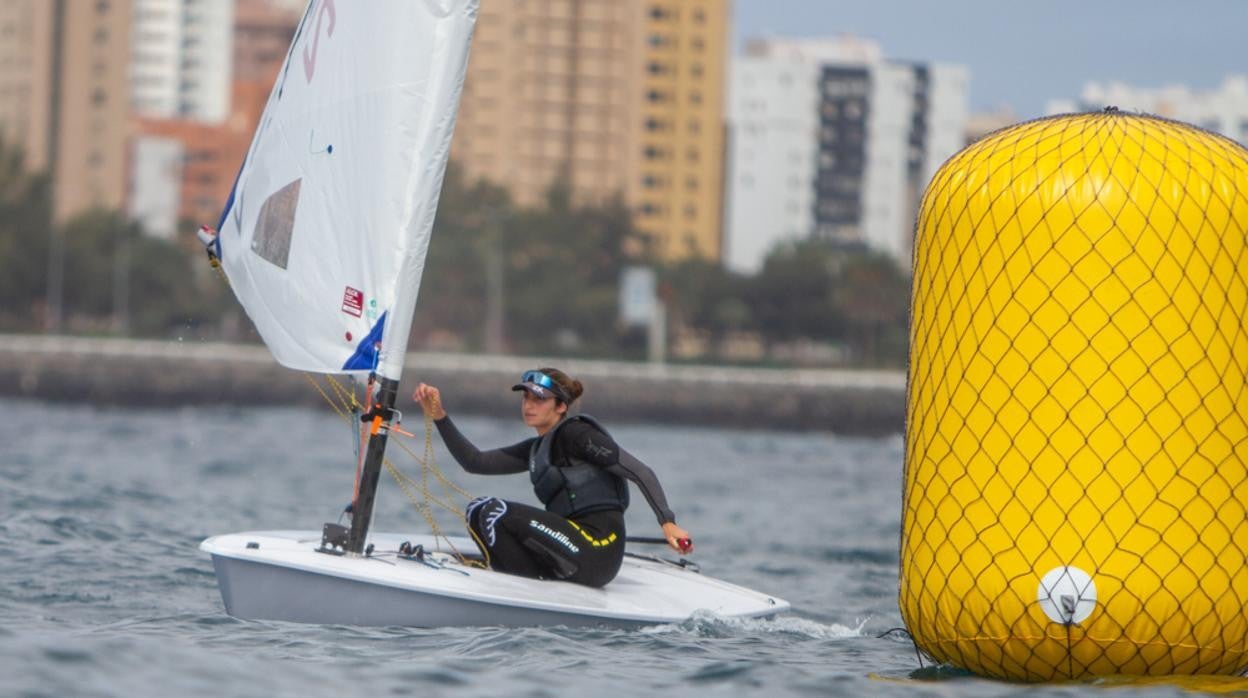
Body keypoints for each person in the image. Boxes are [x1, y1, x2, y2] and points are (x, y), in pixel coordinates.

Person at [413, 368, 692, 588]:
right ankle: (522, 581)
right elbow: (475, 462)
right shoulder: (537, 449)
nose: (529, 405)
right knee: (476, 512)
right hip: (571, 546)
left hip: (598, 549)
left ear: (560, 406)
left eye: (539, 399)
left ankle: (525, 584)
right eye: (526, 397)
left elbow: (640, 471)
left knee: (491, 511)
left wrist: (668, 522)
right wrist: (439, 416)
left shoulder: (578, 435)